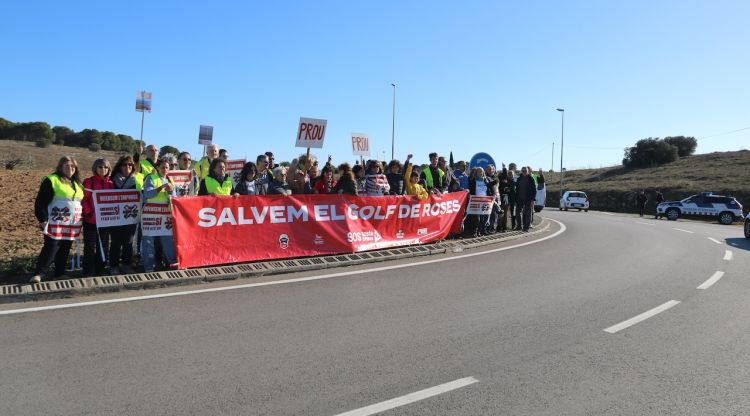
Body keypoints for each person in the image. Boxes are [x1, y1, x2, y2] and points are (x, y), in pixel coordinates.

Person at [31, 156, 84, 283]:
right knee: (51, 247)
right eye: (67, 166)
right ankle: (39, 273)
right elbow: (40, 202)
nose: (70, 168)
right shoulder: (52, 180)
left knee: (65, 248)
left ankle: (59, 273)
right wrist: (42, 219)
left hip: (72, 223)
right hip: (55, 221)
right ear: (60, 167)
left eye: (73, 166)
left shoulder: (77, 183)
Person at [141, 157, 177, 272]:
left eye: (167, 167)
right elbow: (147, 194)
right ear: (157, 168)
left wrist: (171, 191)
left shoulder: (171, 181)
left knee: (168, 242)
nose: (165, 169)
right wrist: (161, 187)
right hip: (151, 215)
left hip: (165, 215)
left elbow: (175, 199)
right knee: (148, 243)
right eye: (162, 167)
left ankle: (171, 263)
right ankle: (148, 267)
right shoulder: (150, 178)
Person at [81, 158, 114, 276]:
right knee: (89, 246)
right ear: (95, 168)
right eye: (100, 167)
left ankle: (101, 269)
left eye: (106, 167)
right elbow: (84, 199)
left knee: (103, 246)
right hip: (91, 220)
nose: (103, 169)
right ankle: (88, 270)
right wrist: (88, 212)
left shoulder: (111, 183)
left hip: (105, 221)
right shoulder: (89, 181)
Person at [109, 155, 139, 275]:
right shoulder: (112, 179)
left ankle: (127, 264)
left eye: (130, 164)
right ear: (119, 166)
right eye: (124, 164)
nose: (127, 167)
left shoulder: (137, 179)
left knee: (128, 242)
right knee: (115, 242)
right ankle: (113, 265)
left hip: (130, 215)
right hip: (115, 216)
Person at [516, 166, 537, 232]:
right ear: (521, 171)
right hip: (519, 198)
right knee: (517, 212)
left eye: (525, 171)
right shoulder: (519, 178)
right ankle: (519, 226)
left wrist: (533, 199)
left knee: (528, 213)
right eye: (523, 171)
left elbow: (534, 190)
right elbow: (517, 189)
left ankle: (526, 227)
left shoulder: (531, 179)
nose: (524, 172)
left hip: (528, 199)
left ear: (528, 171)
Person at [497, 164, 512, 232]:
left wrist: (507, 190)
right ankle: (499, 226)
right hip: (500, 197)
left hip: (505, 197)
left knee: (505, 213)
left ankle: (504, 226)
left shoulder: (507, 180)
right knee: (501, 212)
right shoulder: (499, 180)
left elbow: (509, 189)